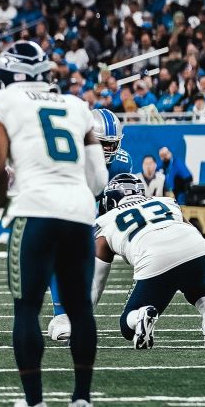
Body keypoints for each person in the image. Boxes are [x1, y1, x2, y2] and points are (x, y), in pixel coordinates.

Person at [0, 40, 107, 407]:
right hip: (79, 211)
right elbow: (99, 179)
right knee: (80, 308)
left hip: (34, 209)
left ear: (5, 75)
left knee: (27, 308)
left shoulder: (1, 103)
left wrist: (4, 202)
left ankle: (35, 403)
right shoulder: (77, 106)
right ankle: (81, 401)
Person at [90, 175, 205, 348]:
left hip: (155, 257)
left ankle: (141, 316)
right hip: (197, 246)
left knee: (127, 325)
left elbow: (96, 283)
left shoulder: (104, 222)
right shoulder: (166, 201)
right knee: (199, 286)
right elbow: (192, 231)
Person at [47, 107, 133, 342]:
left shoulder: (122, 163)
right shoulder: (68, 158)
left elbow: (112, 204)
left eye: (112, 144)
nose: (109, 150)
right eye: (103, 143)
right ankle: (61, 314)